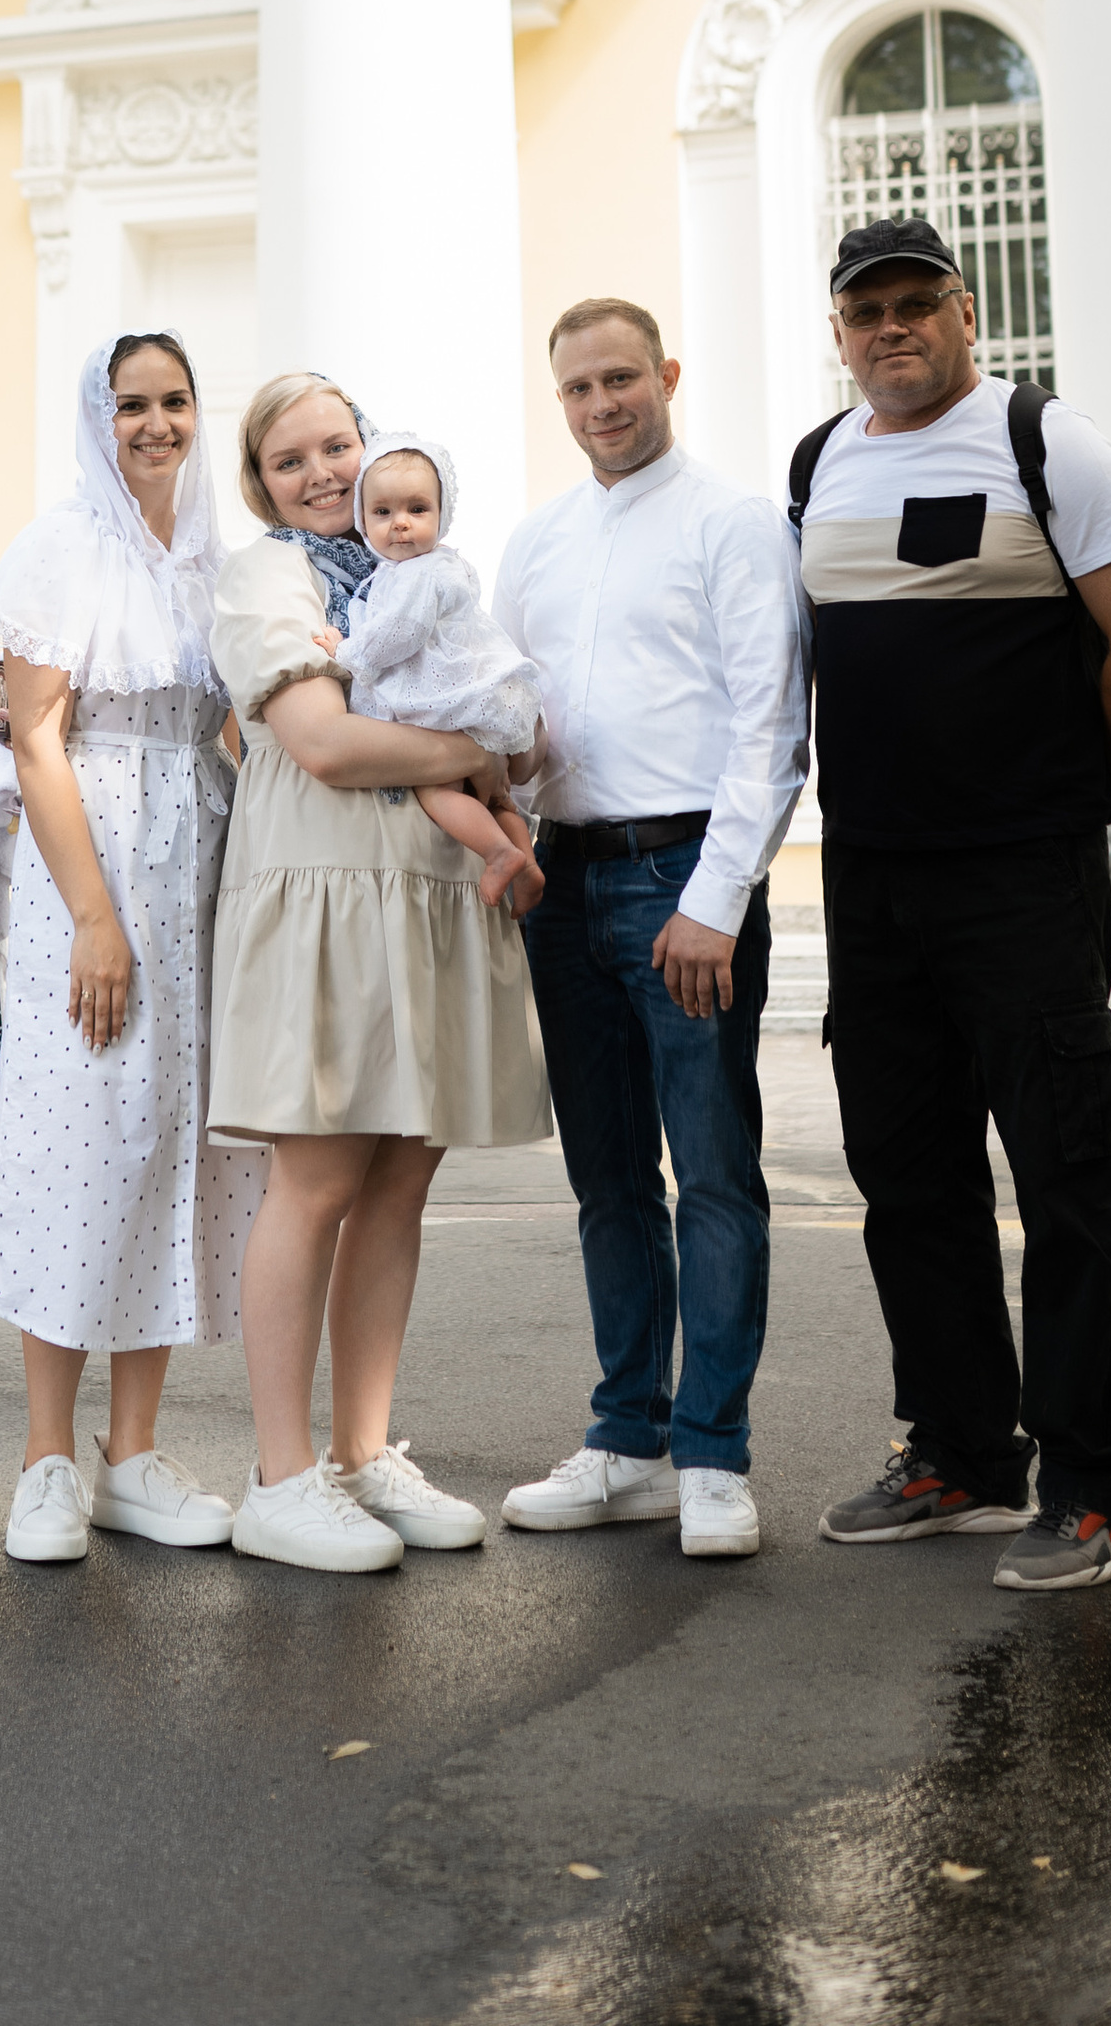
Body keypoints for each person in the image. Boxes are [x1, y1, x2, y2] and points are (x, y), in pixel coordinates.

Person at [797, 217, 1111, 1592]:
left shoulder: (1049, 445)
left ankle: (1094, 1484)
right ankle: (963, 1453)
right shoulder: (819, 464)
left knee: (1066, 1179)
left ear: (966, 314)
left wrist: (1050, 805)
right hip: (871, 884)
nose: (891, 328)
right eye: (866, 313)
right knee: (908, 1183)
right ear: (838, 332)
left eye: (917, 304)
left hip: (1022, 882)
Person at [209, 375, 553, 1575]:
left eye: (336, 447)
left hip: (424, 900)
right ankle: (279, 1474)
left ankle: (359, 1455)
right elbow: (325, 742)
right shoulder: (266, 578)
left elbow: (515, 725)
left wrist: (497, 750)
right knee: (313, 1179)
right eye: (289, 458)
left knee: (401, 1182)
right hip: (325, 897)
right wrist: (479, 745)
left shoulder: (414, 566)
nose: (318, 472)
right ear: (258, 481)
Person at [492, 297, 806, 1563]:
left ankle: (713, 1454)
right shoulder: (537, 543)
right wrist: (506, 836)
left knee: (714, 1175)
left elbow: (769, 728)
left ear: (667, 375)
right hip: (564, 889)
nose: (601, 405)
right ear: (556, 399)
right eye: (577, 388)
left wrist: (714, 902)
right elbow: (505, 715)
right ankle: (626, 1440)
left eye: (621, 379)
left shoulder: (732, 523)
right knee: (608, 1181)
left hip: (686, 881)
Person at [0, 333, 266, 1565]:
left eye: (174, 402)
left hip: (195, 854)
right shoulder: (60, 546)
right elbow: (35, 736)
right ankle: (46, 1459)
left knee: (172, 1143)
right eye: (130, 404)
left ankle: (132, 1452)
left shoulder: (213, 560)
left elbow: (235, 730)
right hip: (86, 859)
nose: (154, 424)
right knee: (79, 1136)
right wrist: (93, 913)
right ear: (96, 418)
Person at [342, 432, 545, 912]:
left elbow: (399, 634)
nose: (400, 525)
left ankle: (498, 855)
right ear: (362, 518)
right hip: (465, 693)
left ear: (442, 514)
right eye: (383, 513)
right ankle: (526, 862)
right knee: (496, 798)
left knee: (435, 787)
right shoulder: (421, 569)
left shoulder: (421, 573)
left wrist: (348, 652)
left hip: (448, 700)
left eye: (417, 509)